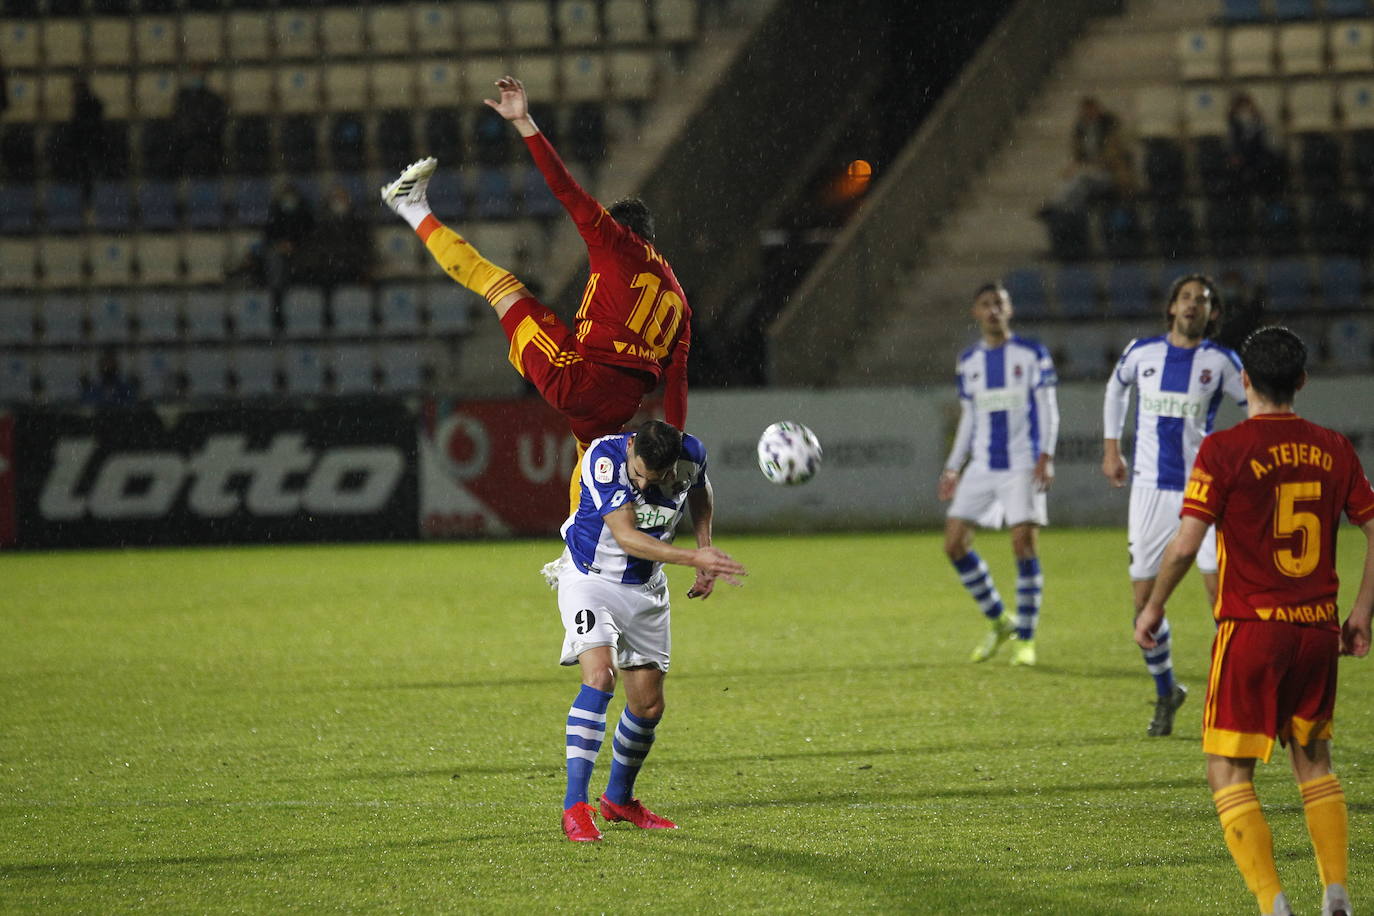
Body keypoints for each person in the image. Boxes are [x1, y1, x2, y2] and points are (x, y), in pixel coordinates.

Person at [1135, 327, 1374, 916]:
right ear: (1301, 381)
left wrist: (1155, 604)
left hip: (1252, 629)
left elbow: (1187, 546)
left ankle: (1273, 904)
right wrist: (1362, 612)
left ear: (1244, 380)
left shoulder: (1223, 450)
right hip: (1318, 630)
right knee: (1313, 760)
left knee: (1228, 771)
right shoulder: (1335, 447)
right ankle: (1336, 893)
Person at [380, 74, 690, 511]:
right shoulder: (679, 299)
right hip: (620, 405)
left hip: (580, 379)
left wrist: (525, 123)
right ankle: (575, 559)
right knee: (587, 472)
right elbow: (677, 378)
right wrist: (674, 440)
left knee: (498, 284)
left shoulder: (614, 240)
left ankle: (410, 206)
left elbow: (564, 187)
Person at [552, 419, 747, 842]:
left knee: (648, 706)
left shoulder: (692, 454)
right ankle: (574, 806)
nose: (641, 483)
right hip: (591, 580)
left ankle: (618, 800)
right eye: (637, 472)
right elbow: (626, 537)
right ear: (632, 451)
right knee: (601, 676)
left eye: (652, 478)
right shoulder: (604, 459)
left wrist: (704, 546)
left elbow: (701, 491)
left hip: (646, 588)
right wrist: (694, 561)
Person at [1102, 274, 1247, 737]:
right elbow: (1114, 388)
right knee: (1145, 604)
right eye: (1185, 297)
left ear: (1213, 314)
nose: (1192, 305)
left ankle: (1235, 696)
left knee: (1219, 596)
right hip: (1148, 491)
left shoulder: (1221, 361)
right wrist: (1111, 447)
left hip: (1202, 492)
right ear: (1171, 307)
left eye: (1202, 300)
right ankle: (1167, 691)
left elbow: (1256, 407)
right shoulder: (1141, 352)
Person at [939, 282, 1059, 667]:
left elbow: (1048, 408)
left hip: (1023, 462)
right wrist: (954, 466)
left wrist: (1046, 454)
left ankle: (1026, 637)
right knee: (954, 544)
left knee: (1023, 544)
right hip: (983, 465)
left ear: (1009, 310)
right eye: (986, 304)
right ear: (976, 313)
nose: (993, 310)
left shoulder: (1031, 353)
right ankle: (999, 620)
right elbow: (969, 419)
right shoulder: (968, 362)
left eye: (999, 303)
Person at [172, 65, 228, 177]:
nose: (196, 76)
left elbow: (219, 120)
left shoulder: (214, 98)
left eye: (199, 73)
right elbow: (179, 119)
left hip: (208, 141)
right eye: (194, 73)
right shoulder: (183, 96)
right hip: (188, 140)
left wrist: (204, 130)